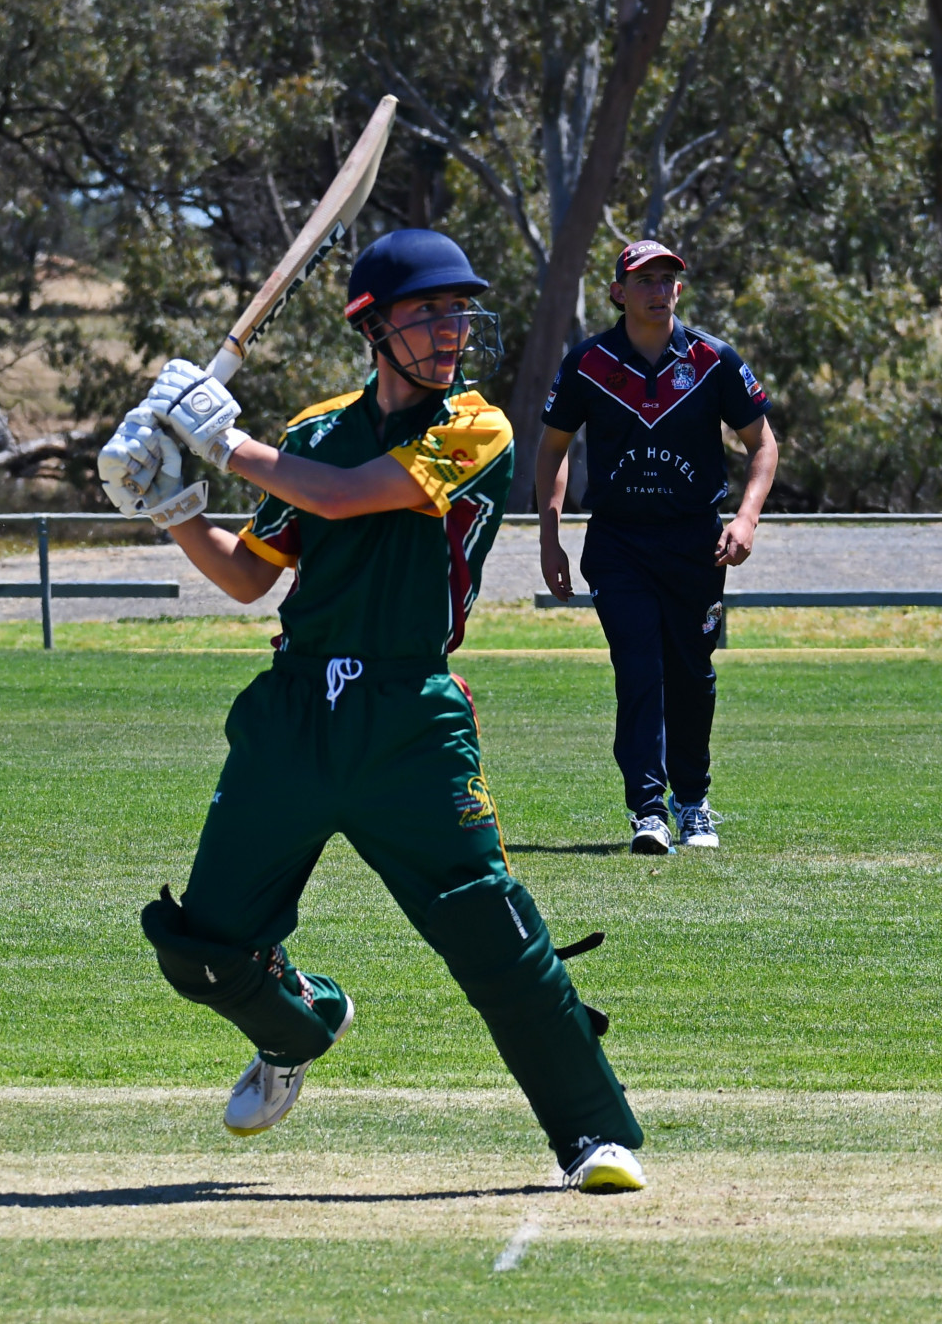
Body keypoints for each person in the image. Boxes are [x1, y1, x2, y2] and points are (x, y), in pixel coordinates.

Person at [93, 229, 647, 1193]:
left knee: (494, 936)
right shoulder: (310, 433)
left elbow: (350, 497)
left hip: (410, 719)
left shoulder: (476, 428)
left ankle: (594, 1135)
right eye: (426, 314)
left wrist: (223, 442)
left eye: (457, 314)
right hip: (296, 710)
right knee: (202, 946)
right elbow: (245, 578)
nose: (448, 332)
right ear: (374, 329)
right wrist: (172, 504)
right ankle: (301, 1024)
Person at [536, 240, 779, 855]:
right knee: (639, 671)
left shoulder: (713, 359)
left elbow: (764, 445)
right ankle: (648, 811)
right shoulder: (588, 363)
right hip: (618, 542)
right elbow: (552, 452)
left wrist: (746, 519)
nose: (658, 288)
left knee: (691, 675)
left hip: (695, 544)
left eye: (668, 278)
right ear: (618, 290)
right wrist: (550, 537)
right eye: (644, 278)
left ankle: (692, 802)